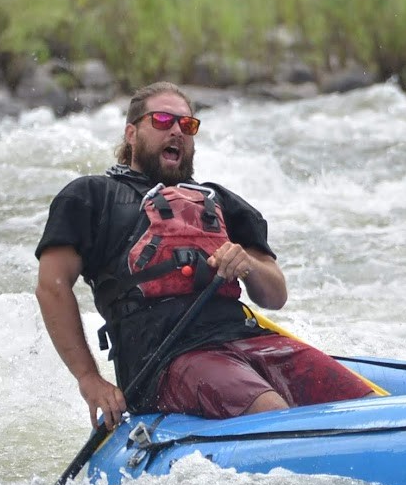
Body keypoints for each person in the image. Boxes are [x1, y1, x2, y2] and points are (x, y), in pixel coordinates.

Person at [35, 81, 374, 428]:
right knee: (271, 414)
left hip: (246, 340)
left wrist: (248, 266)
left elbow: (275, 295)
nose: (177, 131)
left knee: (368, 407)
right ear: (131, 134)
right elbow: (52, 285)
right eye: (163, 120)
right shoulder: (92, 196)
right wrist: (89, 380)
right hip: (165, 360)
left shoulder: (220, 201)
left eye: (187, 125)